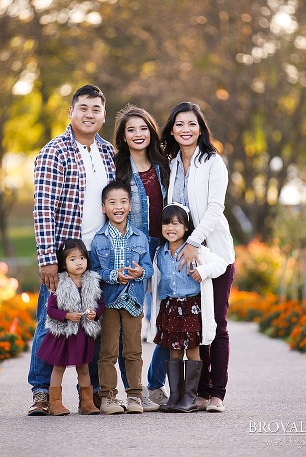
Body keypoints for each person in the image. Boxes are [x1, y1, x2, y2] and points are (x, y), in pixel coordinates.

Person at [29, 84, 115, 416]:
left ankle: (88, 396)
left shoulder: (107, 152)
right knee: (49, 322)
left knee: (92, 323)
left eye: (96, 109)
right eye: (83, 108)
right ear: (71, 112)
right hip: (64, 257)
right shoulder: (55, 151)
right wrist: (48, 259)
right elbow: (43, 209)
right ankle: (40, 392)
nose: (89, 114)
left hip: (99, 256)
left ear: (103, 115)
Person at [161, 102, 236, 411]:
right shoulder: (173, 164)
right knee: (193, 325)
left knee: (216, 324)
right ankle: (198, 393)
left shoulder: (212, 162)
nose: (185, 129)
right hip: (182, 259)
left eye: (191, 124)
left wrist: (193, 241)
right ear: (172, 130)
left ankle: (216, 392)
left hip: (213, 254)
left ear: (201, 128)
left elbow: (215, 208)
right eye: (179, 124)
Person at [113, 104, 170, 409]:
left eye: (143, 128)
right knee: (130, 323)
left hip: (164, 250)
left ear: (151, 131)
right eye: (131, 129)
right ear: (123, 136)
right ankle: (135, 391)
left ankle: (155, 384)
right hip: (132, 251)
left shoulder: (164, 166)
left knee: (165, 319)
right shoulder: (117, 168)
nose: (138, 134)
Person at [147, 203, 229, 412]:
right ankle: (176, 395)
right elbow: (154, 279)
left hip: (190, 308)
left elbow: (220, 264)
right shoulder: (159, 254)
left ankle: (190, 398)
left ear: (186, 228)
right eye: (166, 223)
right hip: (170, 308)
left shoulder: (198, 250)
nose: (170, 228)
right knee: (174, 352)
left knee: (192, 351)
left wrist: (204, 271)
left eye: (176, 223)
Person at [89, 181, 154, 415]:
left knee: (133, 350)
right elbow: (94, 272)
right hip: (109, 302)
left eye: (123, 202)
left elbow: (148, 267)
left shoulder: (139, 237)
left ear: (130, 205)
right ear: (103, 207)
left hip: (133, 302)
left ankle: (135, 395)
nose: (118, 207)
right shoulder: (99, 239)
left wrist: (141, 272)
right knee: (107, 351)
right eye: (112, 202)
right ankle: (108, 397)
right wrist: (113, 276)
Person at [37, 239, 104, 416]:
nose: (79, 262)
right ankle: (55, 403)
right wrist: (67, 316)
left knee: (83, 367)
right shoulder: (59, 284)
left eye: (82, 258)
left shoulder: (92, 282)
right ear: (64, 264)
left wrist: (94, 314)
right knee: (58, 367)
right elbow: (50, 310)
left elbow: (100, 304)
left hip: (83, 333)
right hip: (64, 334)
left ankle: (87, 403)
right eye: (72, 259)